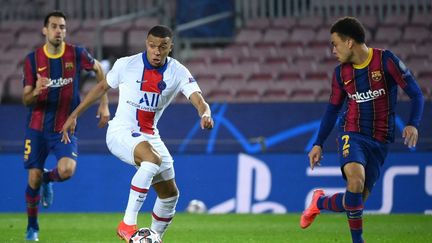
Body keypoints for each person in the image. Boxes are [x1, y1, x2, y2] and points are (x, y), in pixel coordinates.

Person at [61, 25, 214, 241]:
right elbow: (102, 87)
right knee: (152, 159)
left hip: (150, 135)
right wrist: (74, 115)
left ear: (170, 47)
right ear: (146, 44)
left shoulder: (178, 71)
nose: (157, 51)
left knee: (170, 195)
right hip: (120, 131)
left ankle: (153, 238)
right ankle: (127, 224)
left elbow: (199, 99)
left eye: (162, 47)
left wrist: (205, 114)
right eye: (152, 46)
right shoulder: (126, 64)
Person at [300, 16, 424, 243]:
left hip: (381, 140)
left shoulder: (386, 61)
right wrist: (318, 142)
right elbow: (332, 109)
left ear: (349, 42)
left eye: (335, 44)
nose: (333, 50)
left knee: (353, 201)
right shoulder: (340, 74)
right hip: (352, 132)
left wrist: (413, 124)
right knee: (355, 181)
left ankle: (320, 201)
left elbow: (417, 94)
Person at [22, 10, 110, 241]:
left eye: (62, 27)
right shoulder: (32, 61)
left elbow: (100, 69)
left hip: (65, 126)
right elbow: (26, 99)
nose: (58, 30)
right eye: (54, 26)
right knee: (32, 178)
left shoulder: (76, 54)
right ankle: (33, 228)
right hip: (37, 127)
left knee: (67, 170)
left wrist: (104, 103)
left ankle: (48, 180)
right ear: (45, 30)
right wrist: (36, 91)